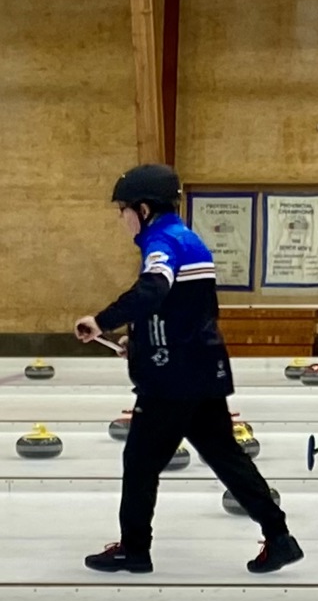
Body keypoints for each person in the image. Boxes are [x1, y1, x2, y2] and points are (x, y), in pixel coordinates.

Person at [75, 164, 302, 574]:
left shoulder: (163, 242)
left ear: (143, 209)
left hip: (171, 382)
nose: (121, 218)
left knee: (140, 463)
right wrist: (139, 342)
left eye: (123, 209)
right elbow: (181, 311)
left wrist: (102, 320)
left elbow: (153, 289)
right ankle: (280, 536)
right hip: (200, 369)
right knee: (227, 457)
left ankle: (134, 550)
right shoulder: (188, 238)